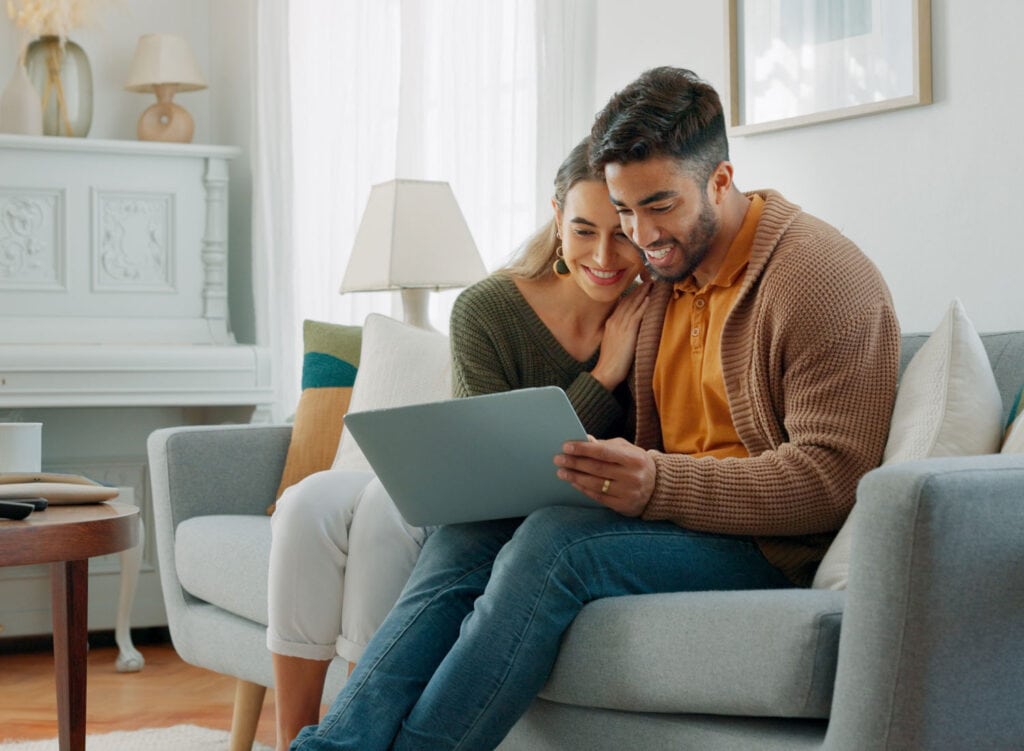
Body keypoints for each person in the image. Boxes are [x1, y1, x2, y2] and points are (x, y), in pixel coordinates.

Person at [290, 67, 900, 751]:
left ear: (721, 181)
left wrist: (660, 482)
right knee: (468, 534)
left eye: (658, 206)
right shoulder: (664, 276)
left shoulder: (818, 279)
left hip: (768, 543)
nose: (640, 235)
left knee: (557, 544)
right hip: (675, 517)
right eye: (625, 210)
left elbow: (831, 482)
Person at [268, 137, 649, 750]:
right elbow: (493, 474)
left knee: (423, 532)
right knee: (338, 510)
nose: (605, 255)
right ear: (556, 219)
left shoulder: (654, 312)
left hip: (582, 514)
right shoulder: (489, 309)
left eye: (622, 233)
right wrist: (603, 378)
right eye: (583, 231)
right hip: (488, 508)